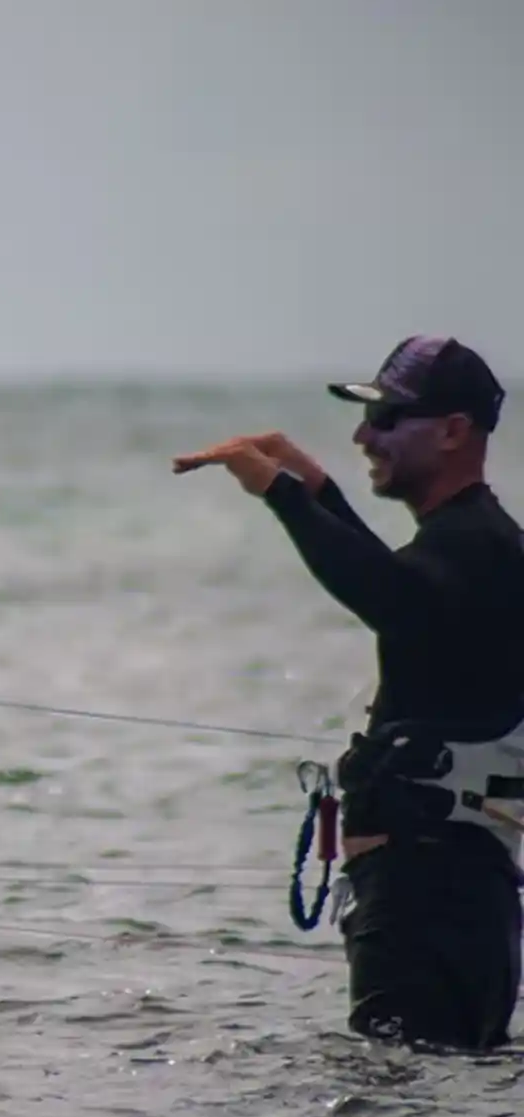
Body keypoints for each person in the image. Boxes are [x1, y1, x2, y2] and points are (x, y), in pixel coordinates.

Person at [174, 335, 524, 1050]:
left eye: (388, 419)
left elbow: (389, 596)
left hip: (430, 899)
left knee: (392, 1096)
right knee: (425, 1108)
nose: (367, 436)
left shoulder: (476, 548)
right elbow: (403, 588)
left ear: (455, 431)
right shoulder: (467, 546)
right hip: (451, 897)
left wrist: (280, 494)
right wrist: (315, 487)